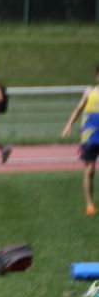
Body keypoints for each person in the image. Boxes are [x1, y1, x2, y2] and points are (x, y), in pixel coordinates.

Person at [61, 64, 99, 217]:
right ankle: (90, 204)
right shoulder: (89, 92)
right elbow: (78, 109)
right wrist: (68, 125)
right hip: (90, 136)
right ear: (97, 75)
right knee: (89, 170)